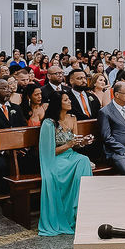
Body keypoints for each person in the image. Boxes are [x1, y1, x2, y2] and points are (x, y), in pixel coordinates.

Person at [37, 91, 94, 236]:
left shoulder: (72, 118)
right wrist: (69, 145)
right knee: (82, 161)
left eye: (69, 99)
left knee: (83, 160)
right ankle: (72, 213)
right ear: (58, 104)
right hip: (55, 160)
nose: (70, 102)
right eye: (66, 100)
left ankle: (81, 211)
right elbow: (48, 152)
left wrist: (83, 142)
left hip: (71, 156)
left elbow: (75, 144)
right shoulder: (48, 123)